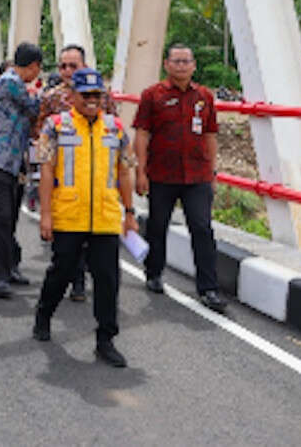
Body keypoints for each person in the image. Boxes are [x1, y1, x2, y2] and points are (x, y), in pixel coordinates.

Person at [33, 68, 136, 367]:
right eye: (86, 95)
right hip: (68, 215)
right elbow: (46, 172)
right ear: (71, 96)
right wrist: (46, 216)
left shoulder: (115, 128)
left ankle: (106, 339)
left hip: (104, 217)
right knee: (62, 271)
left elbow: (125, 171)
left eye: (97, 95)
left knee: (107, 279)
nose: (92, 101)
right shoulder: (54, 126)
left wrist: (129, 213)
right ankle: (44, 314)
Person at [135, 44, 227, 313]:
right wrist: (140, 171)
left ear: (194, 65)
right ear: (167, 64)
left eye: (186, 61)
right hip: (162, 173)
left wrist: (212, 172)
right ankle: (153, 273)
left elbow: (210, 135)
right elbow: (142, 134)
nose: (181, 66)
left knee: (201, 228)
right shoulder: (153, 96)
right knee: (157, 226)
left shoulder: (204, 97)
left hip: (197, 175)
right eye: (176, 61)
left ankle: (209, 288)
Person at [37, 44, 94, 301]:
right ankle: (65, 280)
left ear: (84, 66)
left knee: (87, 234)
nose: (68, 71)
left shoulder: (100, 97)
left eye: (73, 65)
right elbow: (38, 130)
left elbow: (114, 131)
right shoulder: (51, 98)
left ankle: (79, 280)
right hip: (61, 176)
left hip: (92, 174)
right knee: (65, 238)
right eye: (63, 66)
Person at [0, 42, 42, 298]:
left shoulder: (11, 82)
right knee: (1, 219)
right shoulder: (12, 82)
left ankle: (8, 267)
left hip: (13, 162)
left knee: (10, 219)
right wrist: (49, 96)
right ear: (32, 67)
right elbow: (33, 109)